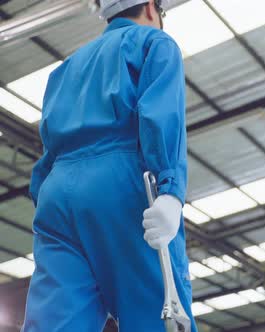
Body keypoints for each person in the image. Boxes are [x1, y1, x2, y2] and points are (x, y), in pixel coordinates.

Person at [21, 0, 197, 331]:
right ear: (150, 7)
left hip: (57, 196)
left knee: (55, 321)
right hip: (122, 187)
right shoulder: (155, 42)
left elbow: (48, 150)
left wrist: (49, 210)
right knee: (156, 312)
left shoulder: (63, 71)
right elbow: (162, 117)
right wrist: (171, 192)